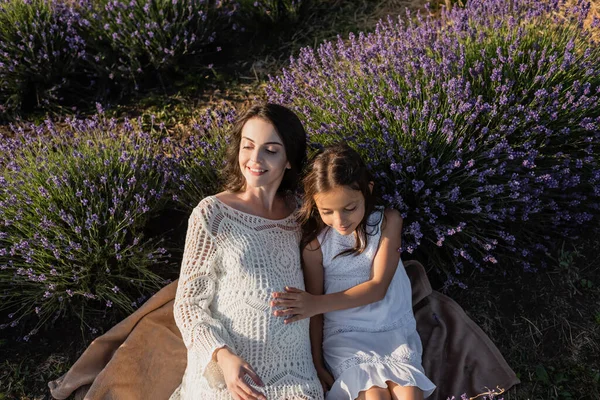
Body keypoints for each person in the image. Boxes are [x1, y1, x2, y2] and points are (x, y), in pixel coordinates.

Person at [170, 103, 324, 400]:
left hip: (296, 374)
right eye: (248, 146)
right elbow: (188, 305)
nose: (255, 159)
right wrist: (222, 356)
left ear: (289, 159)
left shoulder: (302, 214)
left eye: (271, 150)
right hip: (232, 371)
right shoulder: (213, 213)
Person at [270, 144, 436, 400]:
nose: (340, 221)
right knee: (373, 395)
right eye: (327, 211)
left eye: (349, 208)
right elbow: (316, 313)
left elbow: (378, 287)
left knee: (409, 394)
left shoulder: (388, 222)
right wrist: (316, 360)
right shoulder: (316, 245)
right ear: (314, 204)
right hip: (346, 333)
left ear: (367, 191)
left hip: (389, 325)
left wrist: (315, 304)